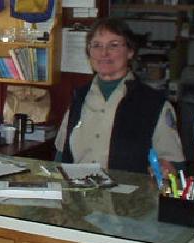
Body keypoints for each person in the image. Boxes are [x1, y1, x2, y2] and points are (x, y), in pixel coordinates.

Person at [55, 17, 185, 174]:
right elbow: (61, 157)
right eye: (97, 45)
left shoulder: (154, 104)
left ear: (130, 51)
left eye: (114, 45)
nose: (104, 53)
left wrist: (165, 170)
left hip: (129, 197)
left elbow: (174, 166)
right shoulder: (78, 98)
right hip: (78, 194)